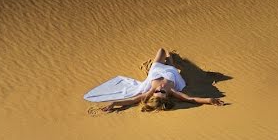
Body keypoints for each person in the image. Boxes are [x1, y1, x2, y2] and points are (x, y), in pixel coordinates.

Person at [97, 48, 226, 112]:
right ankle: (170, 63)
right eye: (162, 92)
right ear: (167, 96)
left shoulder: (152, 90)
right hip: (172, 74)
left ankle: (169, 62)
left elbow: (132, 100)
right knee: (171, 65)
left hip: (156, 69)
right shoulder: (173, 91)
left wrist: (114, 104)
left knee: (161, 50)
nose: (159, 89)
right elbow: (190, 99)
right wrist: (210, 100)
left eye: (157, 91)